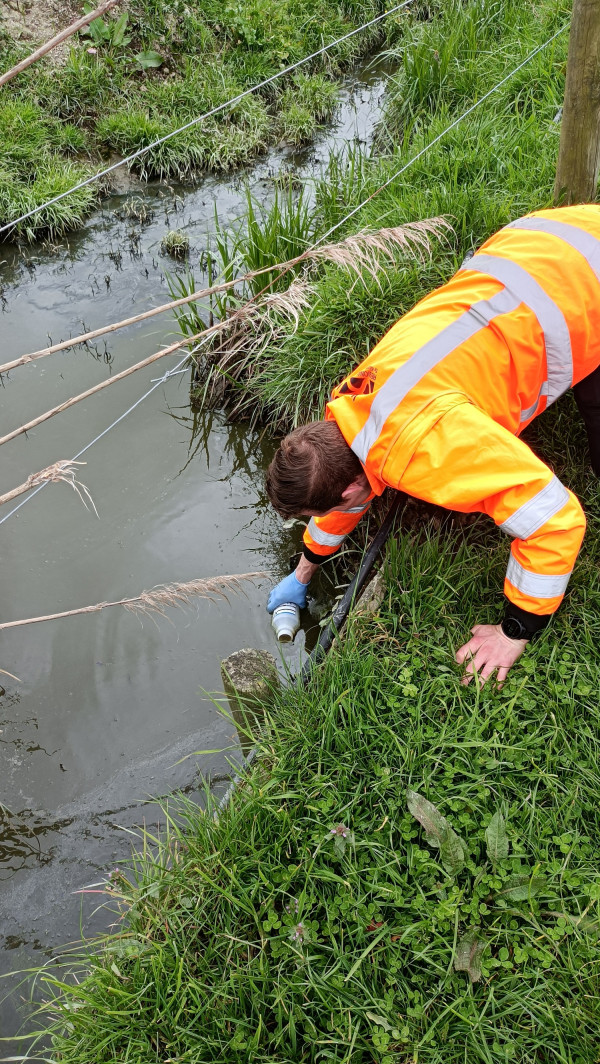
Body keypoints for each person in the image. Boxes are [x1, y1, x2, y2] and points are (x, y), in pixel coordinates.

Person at [265, 204, 600, 684]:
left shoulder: (428, 449)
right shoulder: (352, 403)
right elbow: (337, 491)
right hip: (543, 240)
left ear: (348, 491)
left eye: (315, 513)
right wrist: (303, 573)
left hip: (586, 282)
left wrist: (515, 630)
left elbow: (556, 522)